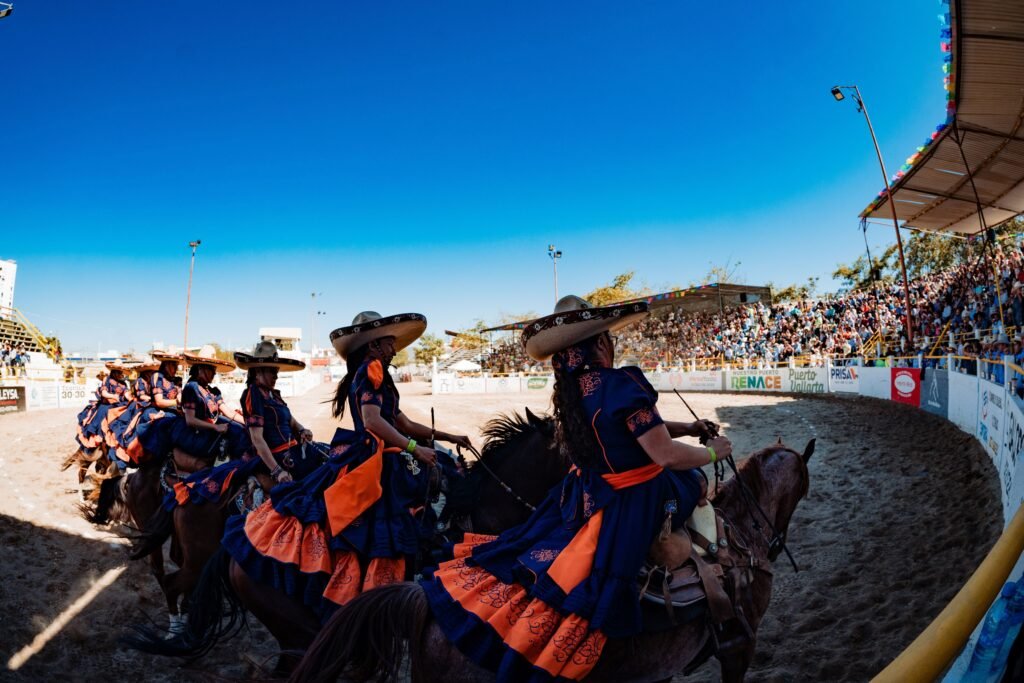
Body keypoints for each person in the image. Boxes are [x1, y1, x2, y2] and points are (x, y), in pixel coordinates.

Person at [419, 295, 733, 683]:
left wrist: (686, 428)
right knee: (696, 482)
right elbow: (664, 455)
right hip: (634, 496)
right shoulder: (624, 382)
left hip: (588, 492)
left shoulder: (573, 390)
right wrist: (711, 452)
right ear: (601, 343)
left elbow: (631, 428)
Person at [221, 310, 472, 617]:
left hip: (371, 449)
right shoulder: (371, 370)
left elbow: (400, 420)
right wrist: (413, 448)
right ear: (373, 346)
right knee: (383, 521)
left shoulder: (380, 372)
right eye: (390, 343)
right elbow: (371, 420)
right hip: (373, 455)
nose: (395, 349)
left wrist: (445, 436)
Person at [170, 350, 247, 472]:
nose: (214, 373)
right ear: (201, 369)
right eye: (211, 369)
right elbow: (190, 420)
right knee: (237, 434)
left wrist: (248, 423)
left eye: (214, 369)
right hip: (199, 435)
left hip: (212, 431)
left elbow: (228, 412)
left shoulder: (212, 391)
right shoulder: (192, 388)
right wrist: (215, 428)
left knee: (242, 430)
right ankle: (231, 473)